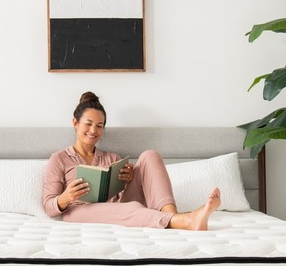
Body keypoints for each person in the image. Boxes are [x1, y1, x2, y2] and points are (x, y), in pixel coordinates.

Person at [42, 92, 221, 230]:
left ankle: (173, 216)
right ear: (75, 123)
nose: (93, 130)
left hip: (119, 206)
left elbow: (124, 196)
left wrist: (128, 180)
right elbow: (49, 207)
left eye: (99, 126)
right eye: (88, 124)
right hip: (78, 211)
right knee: (132, 208)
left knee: (150, 155)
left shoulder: (112, 158)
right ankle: (185, 220)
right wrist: (66, 197)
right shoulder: (59, 159)